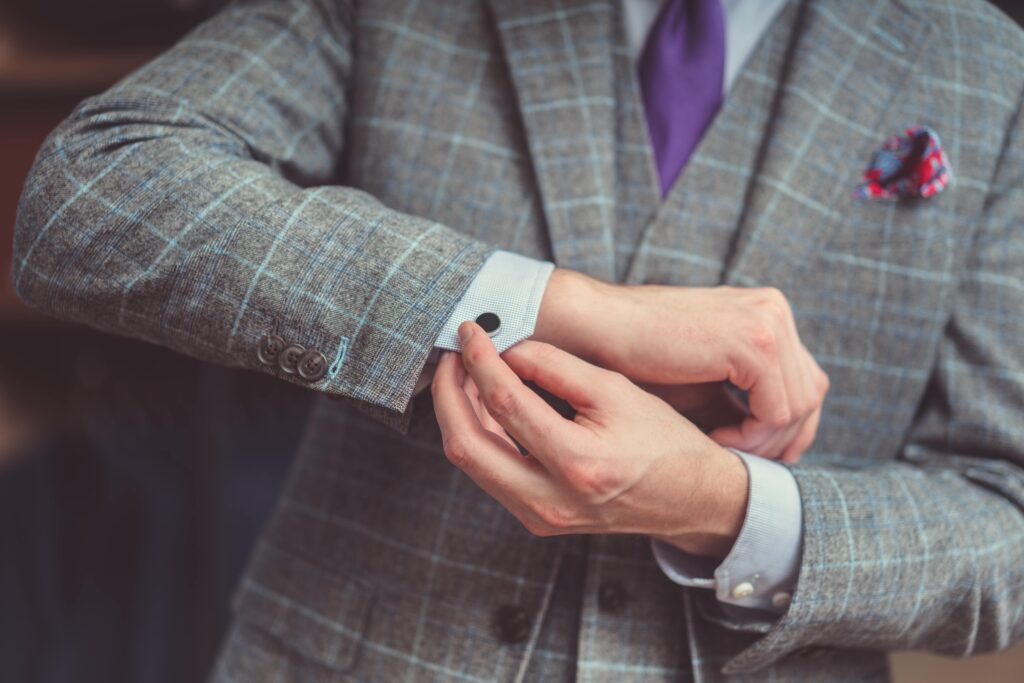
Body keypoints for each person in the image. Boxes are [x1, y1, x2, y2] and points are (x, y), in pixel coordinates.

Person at [12, 0, 1024, 680]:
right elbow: (95, 191)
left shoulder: (992, 66)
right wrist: (563, 306)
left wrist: (728, 507)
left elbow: (1009, 526)